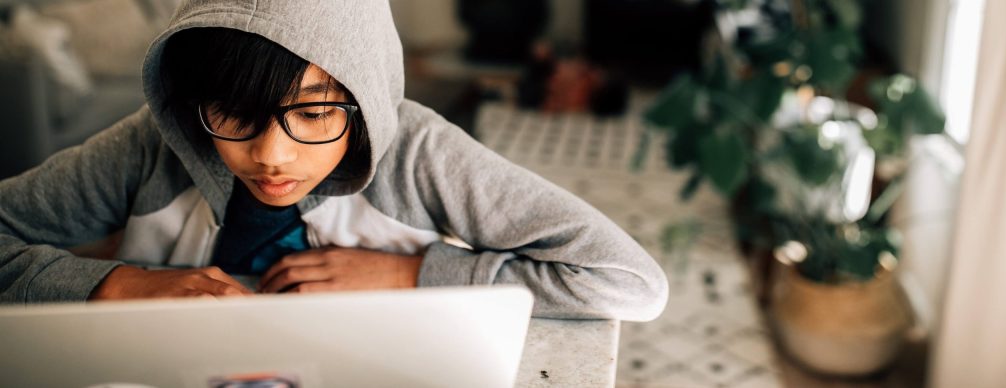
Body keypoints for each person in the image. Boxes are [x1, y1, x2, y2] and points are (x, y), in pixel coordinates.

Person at [0, 0, 668, 321]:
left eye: (315, 114)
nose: (270, 157)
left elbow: (628, 282)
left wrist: (413, 273)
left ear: (365, 97)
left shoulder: (418, 154)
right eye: (232, 112)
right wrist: (116, 284)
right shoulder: (155, 143)